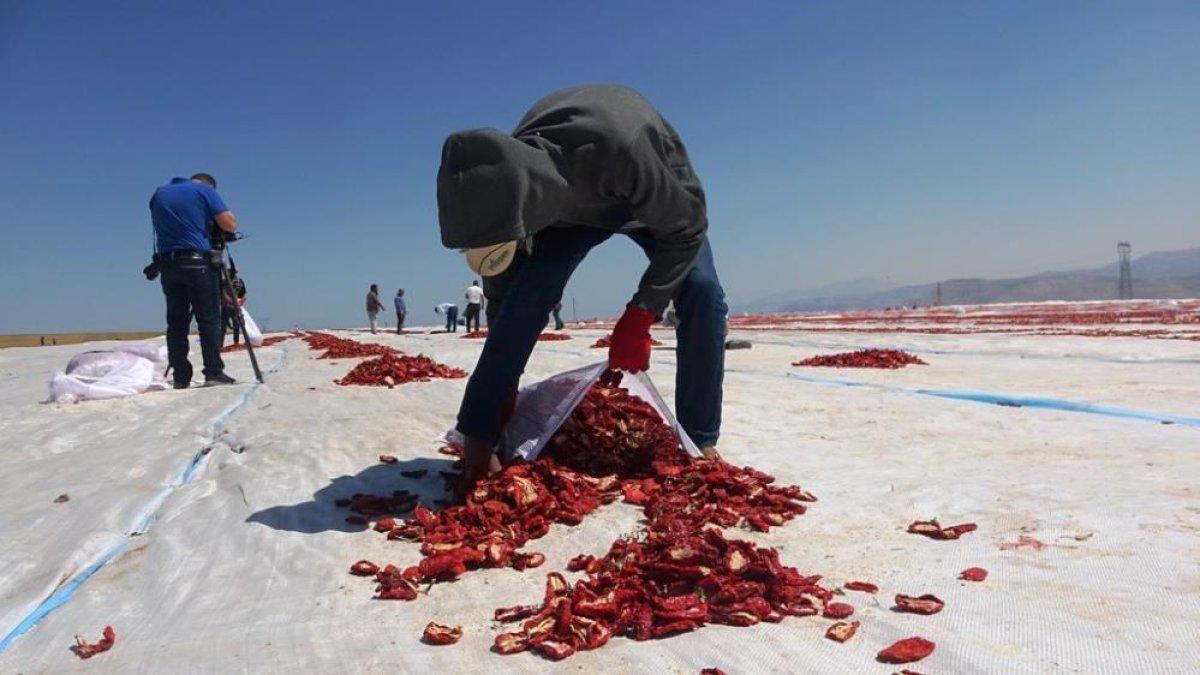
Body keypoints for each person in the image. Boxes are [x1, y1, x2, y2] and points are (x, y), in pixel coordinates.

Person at [437, 85, 727, 494]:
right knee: (526, 300)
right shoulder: (502, 194)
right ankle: (480, 431)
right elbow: (505, 299)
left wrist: (642, 312)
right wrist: (489, 410)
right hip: (566, 216)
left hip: (648, 195)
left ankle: (699, 439)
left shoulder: (624, 148)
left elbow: (687, 230)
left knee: (702, 291)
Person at [149, 173, 238, 389]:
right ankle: (214, 372)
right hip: (198, 263)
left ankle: (181, 375)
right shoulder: (203, 190)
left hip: (168, 264)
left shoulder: (159, 194)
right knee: (208, 319)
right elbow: (230, 224)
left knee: (177, 322)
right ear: (209, 186)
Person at [221, 265, 247, 345]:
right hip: (234, 305)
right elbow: (243, 294)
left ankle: (222, 344)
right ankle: (236, 342)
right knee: (236, 325)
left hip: (227, 306)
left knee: (224, 326)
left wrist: (236, 301)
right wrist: (240, 302)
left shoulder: (224, 282)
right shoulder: (240, 281)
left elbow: (222, 294)